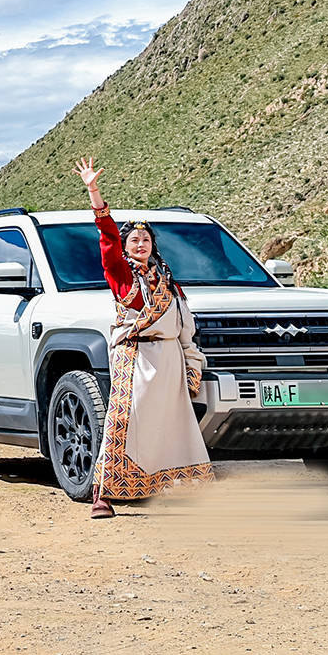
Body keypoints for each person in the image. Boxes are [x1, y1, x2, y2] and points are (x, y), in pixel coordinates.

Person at [73, 158, 212, 518]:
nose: (140, 244)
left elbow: (183, 324)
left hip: (169, 359)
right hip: (134, 358)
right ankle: (102, 493)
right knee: (122, 423)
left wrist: (192, 361)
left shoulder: (167, 280)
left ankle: (173, 489)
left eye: (145, 239)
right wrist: (94, 192)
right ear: (125, 246)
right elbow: (107, 237)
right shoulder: (121, 275)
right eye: (133, 239)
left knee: (171, 426)